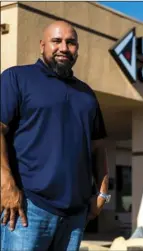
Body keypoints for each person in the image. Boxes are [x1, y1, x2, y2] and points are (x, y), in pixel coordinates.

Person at [0, 20, 110, 250]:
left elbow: (98, 147)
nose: (63, 47)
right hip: (27, 210)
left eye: (70, 42)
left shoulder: (87, 94)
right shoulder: (17, 78)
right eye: (56, 41)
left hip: (75, 217)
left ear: (77, 49)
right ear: (42, 45)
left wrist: (102, 193)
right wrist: (5, 183)